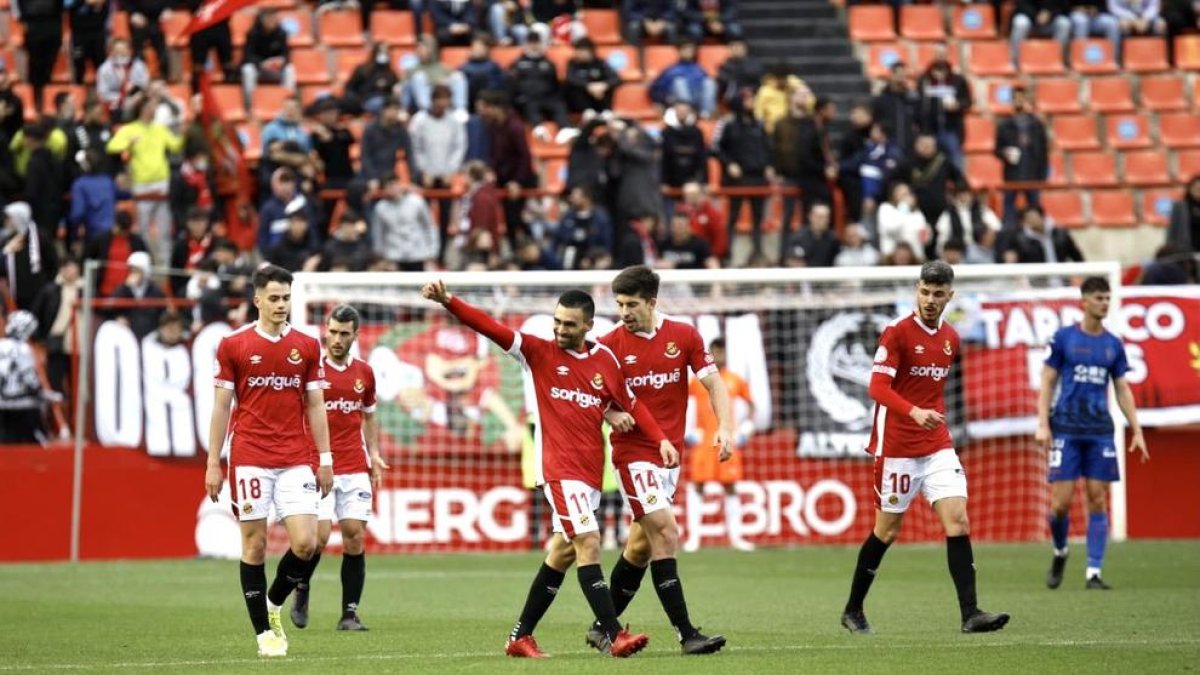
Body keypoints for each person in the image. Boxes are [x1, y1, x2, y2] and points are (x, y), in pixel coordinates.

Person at [421, 279, 663, 658]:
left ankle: (520, 637)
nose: (560, 330)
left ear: (588, 326)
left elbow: (629, 402)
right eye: (557, 322)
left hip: (589, 472)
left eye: (569, 324)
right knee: (590, 543)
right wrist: (449, 301)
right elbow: (489, 326)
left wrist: (649, 432)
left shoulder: (605, 361)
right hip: (558, 469)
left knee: (562, 554)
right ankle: (613, 634)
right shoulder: (536, 352)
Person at [564, 265, 729, 655]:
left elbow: (714, 382)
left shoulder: (684, 336)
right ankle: (687, 634)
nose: (624, 311)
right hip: (633, 456)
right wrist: (608, 414)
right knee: (667, 533)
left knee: (640, 547)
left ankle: (602, 628)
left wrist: (725, 427)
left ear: (652, 302)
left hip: (669, 457)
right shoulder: (607, 345)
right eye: (619, 304)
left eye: (632, 304)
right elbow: (583, 390)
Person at [841, 261, 1010, 635]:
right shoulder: (897, 334)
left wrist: (930, 417)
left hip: (935, 446)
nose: (930, 300)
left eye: (938, 294)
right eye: (924, 292)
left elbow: (932, 391)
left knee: (958, 520)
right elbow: (877, 389)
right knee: (886, 531)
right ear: (916, 291)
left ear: (950, 296)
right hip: (897, 447)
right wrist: (914, 412)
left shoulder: (951, 338)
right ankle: (853, 609)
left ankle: (970, 614)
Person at [204, 264, 334, 658]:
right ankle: (265, 634)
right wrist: (213, 461)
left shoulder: (308, 346)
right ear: (257, 300)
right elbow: (221, 407)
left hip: (295, 455)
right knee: (255, 545)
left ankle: (273, 603)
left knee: (307, 543)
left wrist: (325, 458)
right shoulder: (234, 345)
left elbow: (315, 404)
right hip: (250, 457)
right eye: (274, 298)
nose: (281, 305)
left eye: (286, 298)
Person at [1036, 276, 1148, 590]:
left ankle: (1093, 573)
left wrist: (1136, 429)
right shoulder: (1064, 338)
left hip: (1100, 431)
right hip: (1067, 429)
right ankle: (1060, 551)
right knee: (1060, 504)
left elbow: (1122, 389)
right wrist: (1043, 423)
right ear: (1084, 301)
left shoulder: (1113, 344)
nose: (1104, 303)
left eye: (1107, 298)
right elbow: (1047, 381)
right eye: (1099, 298)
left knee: (1098, 499)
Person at [290, 305, 388, 631]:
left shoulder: (365, 373)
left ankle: (349, 614)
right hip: (316, 466)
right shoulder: (312, 370)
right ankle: (302, 588)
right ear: (325, 330)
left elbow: (370, 415)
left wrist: (373, 454)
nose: (336, 338)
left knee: (354, 537)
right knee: (316, 540)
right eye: (332, 331)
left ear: (355, 336)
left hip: (354, 464)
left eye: (344, 333)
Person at [684, 337, 756, 551]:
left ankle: (736, 537)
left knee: (731, 485)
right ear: (709, 354)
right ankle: (694, 537)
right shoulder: (697, 380)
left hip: (727, 438)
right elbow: (682, 402)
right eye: (715, 352)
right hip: (704, 440)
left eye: (723, 352)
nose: (719, 356)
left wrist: (746, 429)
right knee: (698, 484)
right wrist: (687, 430)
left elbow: (752, 405)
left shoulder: (735, 380)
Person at [0, 310, 57, 444]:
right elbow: (29, 377)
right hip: (23, 404)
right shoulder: (23, 349)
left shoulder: (1, 345)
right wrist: (41, 392)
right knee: (35, 437)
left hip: (3, 403)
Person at [994, 86, 1049, 226]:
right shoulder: (1004, 125)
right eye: (1016, 98)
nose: (1019, 102)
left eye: (1021, 98)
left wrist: (1042, 174)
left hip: (1032, 174)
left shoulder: (1037, 125)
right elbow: (997, 149)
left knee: (1034, 208)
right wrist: (1005, 154)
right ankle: (1008, 234)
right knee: (1009, 211)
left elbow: (1043, 151)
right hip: (1012, 174)